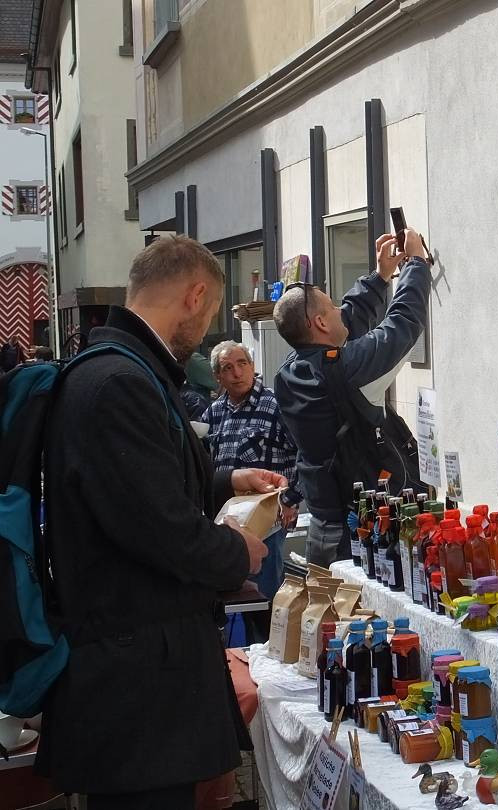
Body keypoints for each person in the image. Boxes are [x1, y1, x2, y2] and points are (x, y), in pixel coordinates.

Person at [39, 235, 284, 810]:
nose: (205, 333)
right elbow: (161, 529)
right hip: (138, 693)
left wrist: (226, 481)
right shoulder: (118, 383)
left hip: (144, 680)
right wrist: (236, 553)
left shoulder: (125, 372)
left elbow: (146, 482)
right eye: (211, 313)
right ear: (196, 296)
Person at [274, 229, 430, 566]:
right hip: (360, 531)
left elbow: (345, 327)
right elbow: (402, 324)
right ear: (318, 322)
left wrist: (381, 276)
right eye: (332, 307)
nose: (339, 310)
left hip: (324, 524)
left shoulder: (291, 371)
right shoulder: (345, 372)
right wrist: (416, 263)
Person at [204, 339, 302, 600]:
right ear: (217, 376)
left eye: (242, 364)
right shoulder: (214, 413)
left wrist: (291, 500)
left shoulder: (275, 404)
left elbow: (305, 454)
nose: (237, 373)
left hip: (267, 521)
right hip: (226, 524)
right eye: (227, 368)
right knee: (234, 600)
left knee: (264, 598)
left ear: (252, 366)